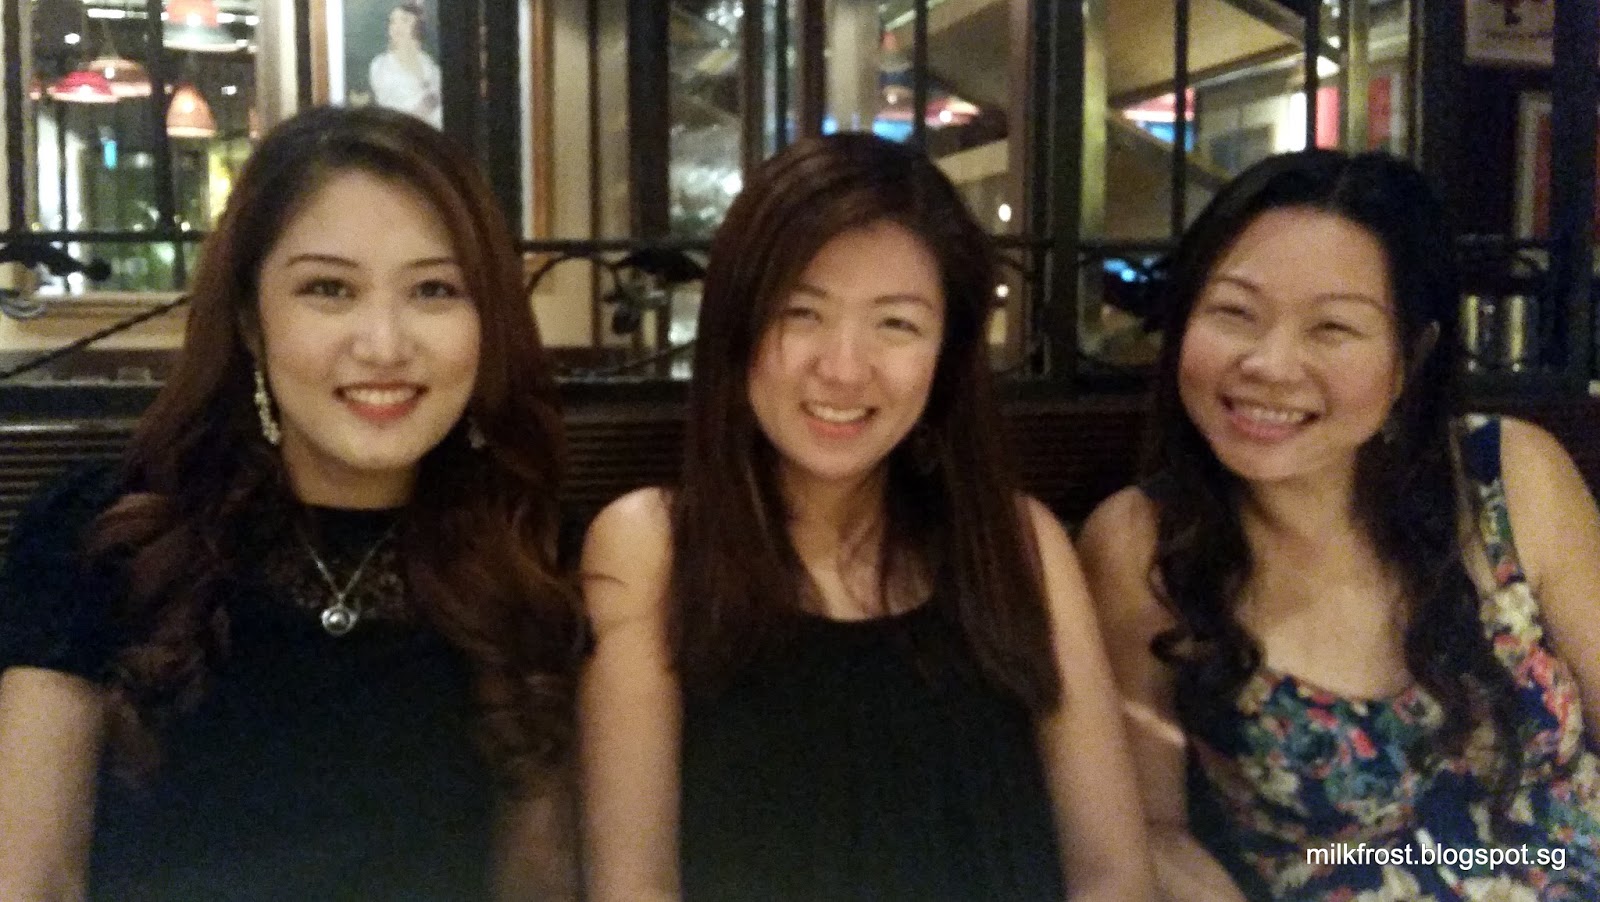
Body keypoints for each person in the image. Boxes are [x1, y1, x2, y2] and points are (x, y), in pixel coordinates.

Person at [0, 105, 582, 901]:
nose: (384, 344)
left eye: (435, 289)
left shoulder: (527, 557)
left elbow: (535, 886)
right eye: (328, 288)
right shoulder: (103, 537)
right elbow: (33, 878)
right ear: (251, 319)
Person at [577, 132, 1154, 902]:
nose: (844, 368)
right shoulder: (649, 548)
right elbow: (634, 887)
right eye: (801, 312)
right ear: (737, 328)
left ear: (947, 354)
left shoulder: (1019, 544)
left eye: (897, 324)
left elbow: (1112, 875)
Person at [1078, 149, 1600, 900]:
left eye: (1332, 328)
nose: (1271, 364)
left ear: (1411, 358)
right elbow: (1150, 831)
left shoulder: (1509, 476)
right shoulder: (1143, 543)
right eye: (1234, 313)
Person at [369, 1, 442, 129]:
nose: (397, 26)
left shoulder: (429, 64)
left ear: (417, 26)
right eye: (393, 21)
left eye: (404, 20)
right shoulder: (381, 65)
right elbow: (392, 112)